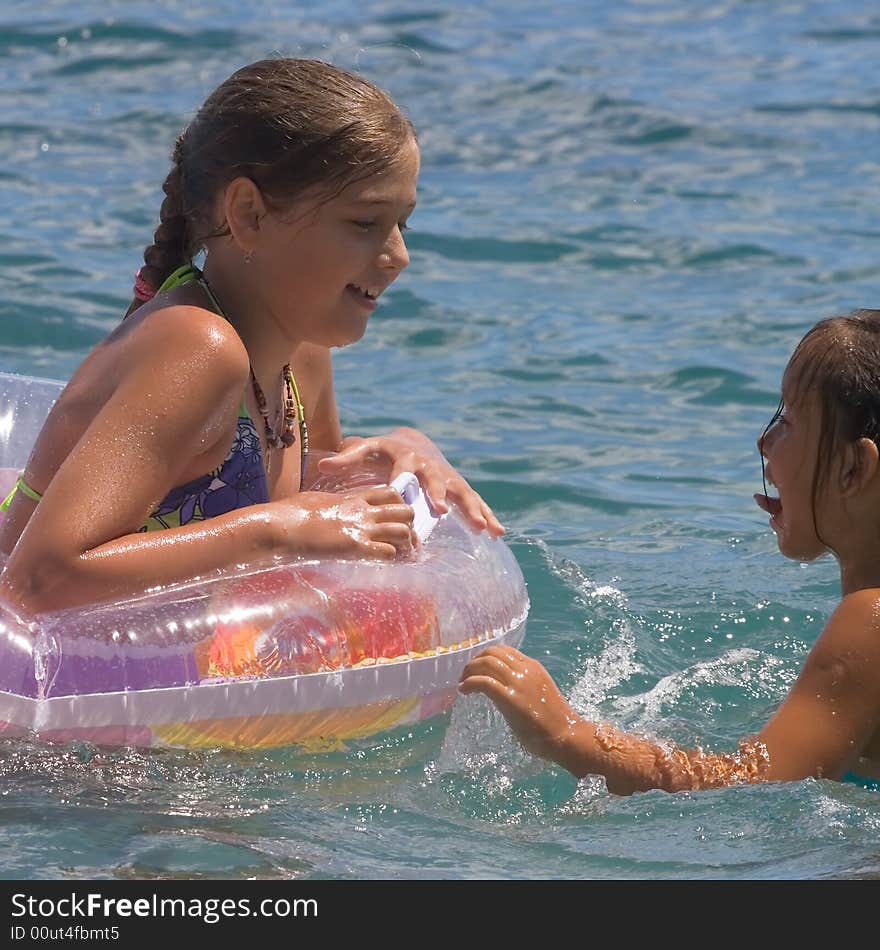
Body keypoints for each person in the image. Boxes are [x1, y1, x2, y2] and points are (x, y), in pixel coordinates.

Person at [0, 57, 503, 614]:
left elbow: (323, 500)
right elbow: (38, 579)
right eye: (365, 223)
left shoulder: (299, 353)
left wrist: (407, 448)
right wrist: (272, 531)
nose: (400, 257)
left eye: (401, 224)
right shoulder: (194, 348)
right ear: (249, 214)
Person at [460, 309, 880, 795]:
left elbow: (753, 784)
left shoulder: (868, 620)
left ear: (853, 468)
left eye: (787, 419)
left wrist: (564, 732)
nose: (765, 440)